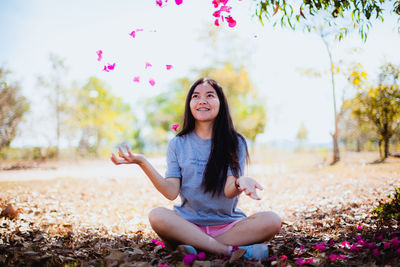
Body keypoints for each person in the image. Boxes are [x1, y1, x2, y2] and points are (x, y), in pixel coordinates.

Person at [111, 78, 281, 260]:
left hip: (228, 226)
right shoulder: (177, 144)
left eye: (210, 95)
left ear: (220, 103)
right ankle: (227, 251)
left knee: (272, 220)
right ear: (190, 104)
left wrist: (240, 181)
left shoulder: (235, 141)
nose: (202, 101)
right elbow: (170, 192)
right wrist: (142, 162)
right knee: (157, 215)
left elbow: (229, 191)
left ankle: (198, 248)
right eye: (196, 96)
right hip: (187, 225)